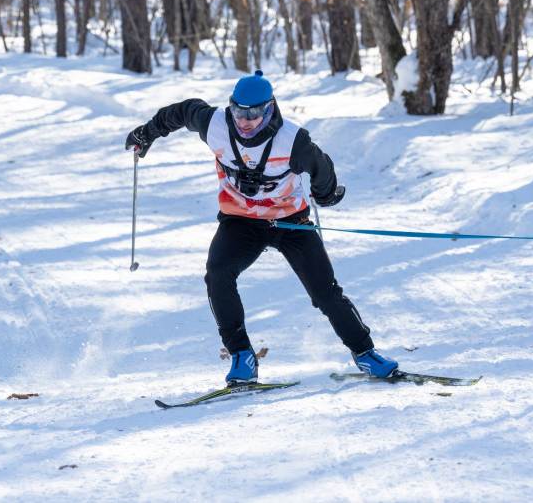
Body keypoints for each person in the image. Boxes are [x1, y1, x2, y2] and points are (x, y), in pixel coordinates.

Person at [125, 70, 398, 386]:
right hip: (240, 222)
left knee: (325, 292)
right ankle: (241, 355)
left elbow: (322, 169)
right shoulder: (215, 125)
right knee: (217, 273)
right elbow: (183, 112)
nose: (245, 119)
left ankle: (365, 354)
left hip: (290, 222)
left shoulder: (294, 141)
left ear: (270, 108)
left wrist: (326, 196)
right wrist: (148, 132)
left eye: (254, 112)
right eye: (239, 111)